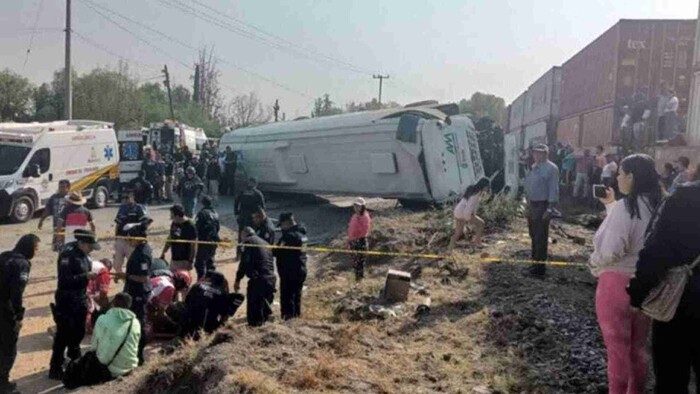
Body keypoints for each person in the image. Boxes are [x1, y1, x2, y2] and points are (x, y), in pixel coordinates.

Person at [588, 154, 662, 394]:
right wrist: (610, 205)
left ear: (631, 177)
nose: (617, 178)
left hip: (615, 286)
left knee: (617, 351)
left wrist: (594, 263)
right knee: (638, 349)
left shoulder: (626, 207)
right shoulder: (660, 205)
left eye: (620, 173)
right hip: (647, 286)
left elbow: (612, 249)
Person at [627, 180, 700, 392]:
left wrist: (637, 294)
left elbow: (655, 251)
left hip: (682, 304)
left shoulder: (683, 198)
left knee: (672, 377)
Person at [49, 230, 101, 380]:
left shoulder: (82, 253)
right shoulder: (68, 255)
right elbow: (65, 280)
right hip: (67, 298)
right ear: (82, 243)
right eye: (90, 246)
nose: (92, 249)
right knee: (63, 334)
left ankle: (74, 360)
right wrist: (85, 276)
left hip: (79, 297)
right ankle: (56, 367)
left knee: (78, 331)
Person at [0, 234, 40, 393]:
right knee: (8, 347)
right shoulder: (22, 264)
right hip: (5, 309)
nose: (36, 252)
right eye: (36, 248)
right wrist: (19, 315)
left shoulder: (4, 256)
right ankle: (3, 384)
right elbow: (16, 293)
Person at [113, 223, 152, 365]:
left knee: (139, 323)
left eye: (130, 239)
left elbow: (144, 277)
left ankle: (139, 355)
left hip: (139, 292)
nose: (128, 241)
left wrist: (126, 276)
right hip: (133, 290)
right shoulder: (139, 249)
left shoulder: (143, 254)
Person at [524, 144, 559, 277]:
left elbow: (553, 189)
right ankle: (534, 263)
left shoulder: (551, 168)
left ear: (546, 154)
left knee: (541, 236)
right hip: (532, 204)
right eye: (535, 153)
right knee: (533, 235)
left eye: (540, 153)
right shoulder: (534, 167)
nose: (537, 155)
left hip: (542, 205)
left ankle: (539, 268)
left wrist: (550, 208)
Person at [90, 293, 141, 381]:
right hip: (130, 366)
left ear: (113, 303)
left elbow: (94, 347)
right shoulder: (136, 322)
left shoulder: (102, 319)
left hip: (108, 369)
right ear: (129, 305)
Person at [234, 227, 276, 327]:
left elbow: (244, 263)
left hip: (258, 280)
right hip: (271, 278)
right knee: (263, 312)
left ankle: (253, 332)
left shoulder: (247, 242)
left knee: (254, 314)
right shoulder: (265, 242)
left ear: (243, 234)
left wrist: (238, 279)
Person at [273, 213, 308, 320]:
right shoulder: (303, 234)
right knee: (297, 296)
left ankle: (288, 320)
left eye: (282, 225)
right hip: (301, 268)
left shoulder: (289, 236)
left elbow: (277, 251)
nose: (281, 228)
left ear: (286, 223)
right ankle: (296, 317)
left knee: (287, 297)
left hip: (290, 271)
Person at [182, 271, 232, 337]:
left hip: (189, 322)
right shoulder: (222, 293)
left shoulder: (197, 285)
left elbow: (186, 301)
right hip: (208, 326)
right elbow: (224, 313)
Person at [146, 270, 191, 338]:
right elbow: (161, 313)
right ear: (180, 283)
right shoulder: (170, 288)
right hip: (144, 305)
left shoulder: (164, 277)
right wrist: (173, 324)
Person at [113, 191, 149, 277]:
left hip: (132, 240)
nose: (125, 200)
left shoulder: (139, 208)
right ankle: (120, 276)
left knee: (131, 262)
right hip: (121, 238)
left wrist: (133, 225)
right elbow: (117, 224)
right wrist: (116, 237)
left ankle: (130, 279)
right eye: (124, 198)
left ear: (133, 197)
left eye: (127, 197)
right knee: (117, 263)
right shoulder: (122, 208)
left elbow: (146, 223)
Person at [448, 178, 489, 250]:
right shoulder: (477, 193)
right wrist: (468, 217)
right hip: (465, 212)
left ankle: (450, 248)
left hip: (458, 211)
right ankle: (477, 242)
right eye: (487, 186)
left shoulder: (471, 189)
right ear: (484, 186)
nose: (487, 188)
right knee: (481, 223)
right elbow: (470, 206)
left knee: (458, 232)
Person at [161, 204, 198, 272]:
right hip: (174, 259)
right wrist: (163, 252)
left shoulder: (190, 226)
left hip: (184, 260)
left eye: (172, 216)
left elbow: (194, 245)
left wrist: (191, 261)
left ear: (177, 216)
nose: (171, 217)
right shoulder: (174, 223)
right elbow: (170, 238)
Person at [38, 180, 70, 252]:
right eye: (60, 187)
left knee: (68, 247)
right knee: (58, 248)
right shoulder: (54, 197)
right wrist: (41, 221)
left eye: (63, 187)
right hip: (57, 227)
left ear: (68, 188)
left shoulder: (71, 198)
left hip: (69, 227)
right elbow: (47, 210)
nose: (61, 189)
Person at [194, 196, 220, 280]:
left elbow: (196, 227)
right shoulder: (215, 213)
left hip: (205, 240)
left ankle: (200, 280)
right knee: (210, 261)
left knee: (199, 263)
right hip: (214, 240)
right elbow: (218, 227)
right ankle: (211, 279)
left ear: (203, 203)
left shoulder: (202, 213)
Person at [347, 198, 372, 281]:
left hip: (360, 241)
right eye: (355, 206)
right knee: (355, 263)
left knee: (360, 264)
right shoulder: (354, 216)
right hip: (353, 241)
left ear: (363, 207)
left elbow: (364, 230)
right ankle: (357, 280)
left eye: (359, 206)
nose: (357, 208)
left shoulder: (365, 217)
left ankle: (360, 280)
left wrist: (355, 238)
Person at [86, 258, 113, 334]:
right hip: (87, 294)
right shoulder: (103, 272)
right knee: (91, 307)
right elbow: (103, 291)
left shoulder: (90, 264)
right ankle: (89, 327)